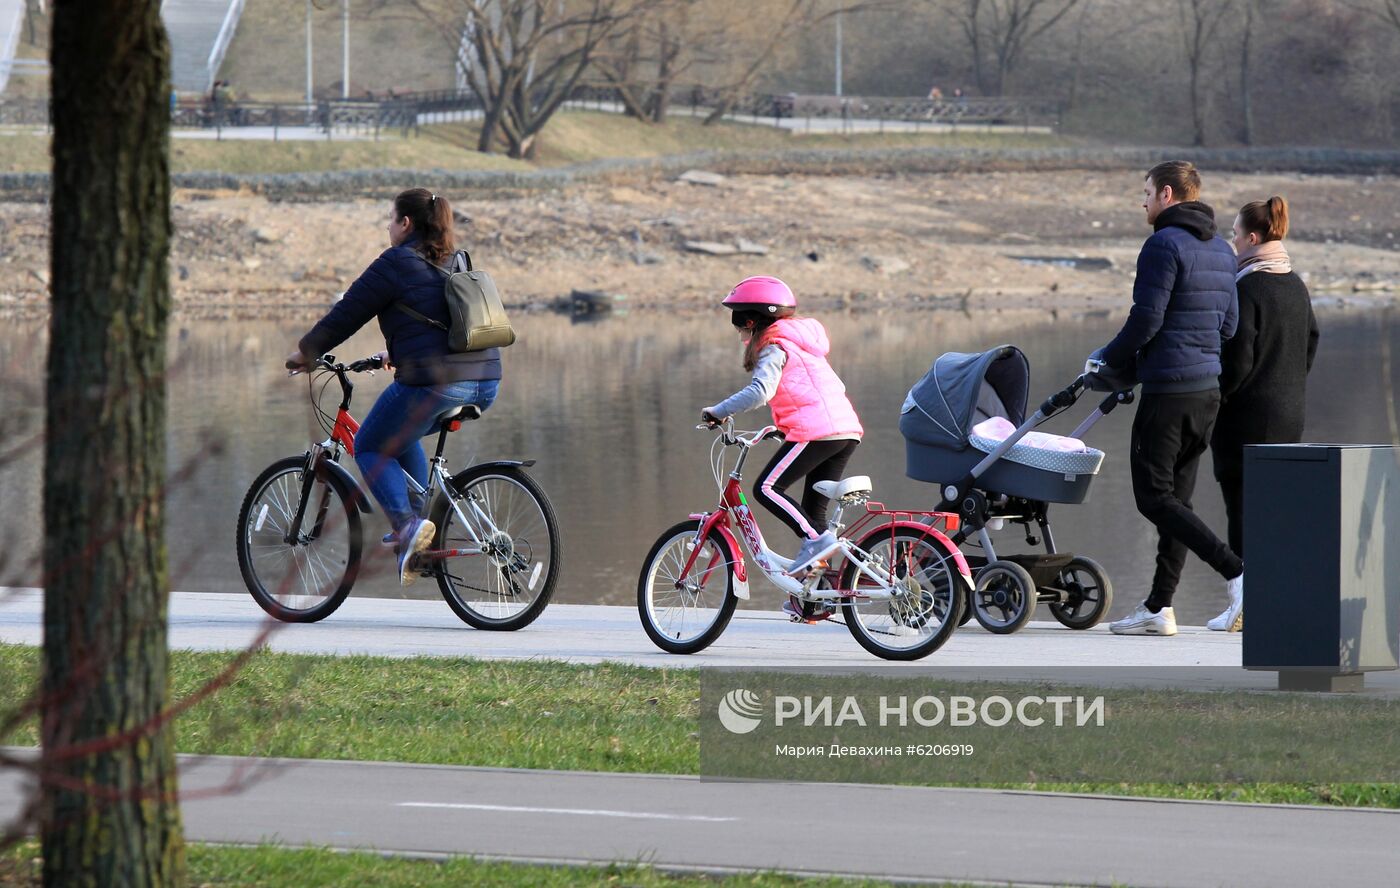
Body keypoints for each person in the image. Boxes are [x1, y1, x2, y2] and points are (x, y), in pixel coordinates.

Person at [285, 188, 502, 585]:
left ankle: (408, 527)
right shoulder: (456, 259)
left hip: (436, 384)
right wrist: (396, 353)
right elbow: (440, 323)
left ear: (405, 224)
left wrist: (306, 352)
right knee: (400, 436)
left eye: (391, 218)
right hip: (487, 380)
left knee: (369, 444)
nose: (388, 226)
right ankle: (420, 527)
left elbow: (347, 313)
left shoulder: (396, 262)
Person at [1094, 160, 1243, 637]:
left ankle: (1237, 571)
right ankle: (1159, 607)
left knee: (1153, 497)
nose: (1142, 202)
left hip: (1169, 394)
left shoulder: (1161, 244)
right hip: (1207, 393)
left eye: (1145, 193)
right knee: (1176, 500)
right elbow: (1229, 327)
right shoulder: (1222, 249)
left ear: (1166, 194)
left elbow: (1146, 320)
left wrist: (1105, 359)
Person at [701, 276, 864, 596]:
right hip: (844, 431)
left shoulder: (775, 345)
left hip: (816, 431)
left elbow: (761, 391)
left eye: (739, 326)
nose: (739, 335)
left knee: (766, 488)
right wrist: (784, 427)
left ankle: (818, 542)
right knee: (812, 511)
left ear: (751, 319)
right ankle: (816, 596)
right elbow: (825, 391)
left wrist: (718, 411)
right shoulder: (802, 344)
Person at [1207, 196, 1320, 632]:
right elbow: (1311, 340)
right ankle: (1276, 603)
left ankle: (1244, 605)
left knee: (1241, 513)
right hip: (1289, 416)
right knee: (1272, 514)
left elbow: (1236, 362)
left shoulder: (1247, 287)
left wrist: (1216, 399)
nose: (1231, 241)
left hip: (1247, 419)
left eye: (1234, 234)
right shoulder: (1294, 283)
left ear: (1252, 238)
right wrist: (1288, 383)